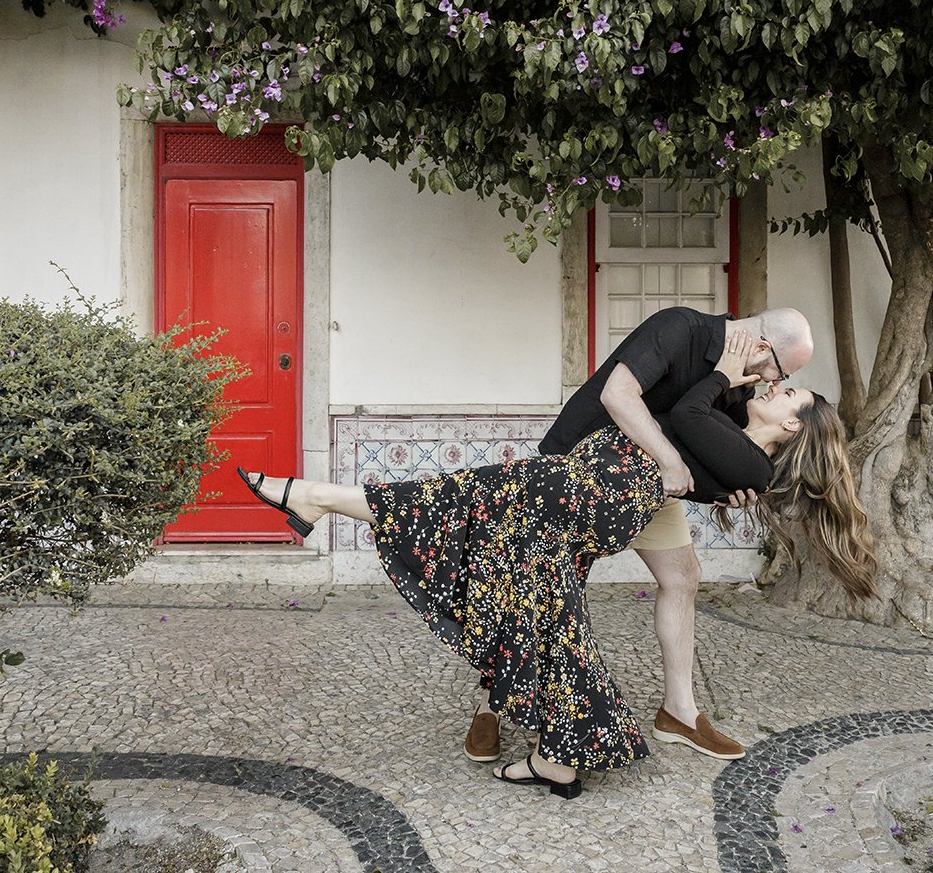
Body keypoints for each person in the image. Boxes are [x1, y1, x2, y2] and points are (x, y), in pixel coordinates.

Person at [237, 331, 874, 798]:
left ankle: (315, 497)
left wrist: (727, 375)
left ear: (793, 426)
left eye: (785, 389)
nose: (771, 386)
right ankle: (560, 760)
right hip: (585, 487)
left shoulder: (751, 462)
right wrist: (727, 396)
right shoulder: (740, 450)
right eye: (778, 376)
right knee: (549, 614)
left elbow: (685, 415)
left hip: (588, 496)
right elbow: (693, 436)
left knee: (454, 502)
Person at [462, 306, 816, 767]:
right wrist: (672, 460)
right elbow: (618, 394)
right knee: (537, 591)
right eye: (779, 372)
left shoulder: (740, 382)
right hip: (581, 474)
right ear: (764, 348)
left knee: (683, 577)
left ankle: (679, 712)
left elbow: (716, 439)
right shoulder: (679, 328)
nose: (772, 383)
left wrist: (729, 490)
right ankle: (491, 707)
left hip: (647, 485)